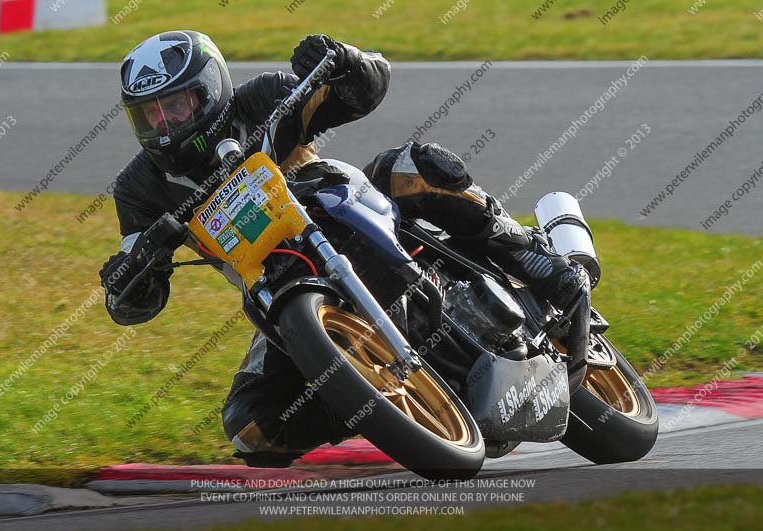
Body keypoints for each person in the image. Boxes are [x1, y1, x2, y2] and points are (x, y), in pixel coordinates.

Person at [99, 30, 587, 466]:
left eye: (177, 107)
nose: (164, 124)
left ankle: (534, 257)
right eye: (150, 114)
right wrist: (128, 276)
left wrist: (344, 60)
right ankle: (378, 405)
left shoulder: (264, 98)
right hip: (276, 289)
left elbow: (364, 91)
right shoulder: (138, 189)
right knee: (252, 428)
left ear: (211, 93)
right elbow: (136, 301)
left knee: (413, 167)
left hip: (341, 210)